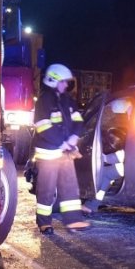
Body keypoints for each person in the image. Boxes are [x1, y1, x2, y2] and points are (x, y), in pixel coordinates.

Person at [31, 63, 89, 234]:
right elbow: (42, 127)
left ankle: (73, 221)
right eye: (63, 82)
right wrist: (62, 143)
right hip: (48, 154)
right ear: (53, 81)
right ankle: (44, 223)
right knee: (46, 191)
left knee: (70, 188)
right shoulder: (44, 101)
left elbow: (78, 120)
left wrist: (74, 137)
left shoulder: (67, 100)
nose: (65, 85)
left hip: (65, 152)